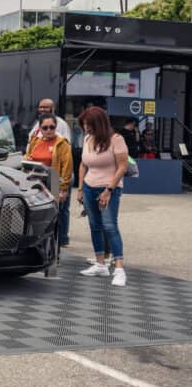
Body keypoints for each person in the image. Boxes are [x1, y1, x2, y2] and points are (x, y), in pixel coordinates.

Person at [76, 106, 129, 286]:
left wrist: (109, 190)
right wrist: (81, 188)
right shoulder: (87, 139)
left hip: (109, 187)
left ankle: (120, 269)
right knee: (94, 225)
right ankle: (100, 264)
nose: (86, 127)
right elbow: (83, 165)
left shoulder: (116, 140)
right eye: (84, 124)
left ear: (100, 124)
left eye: (89, 124)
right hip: (90, 187)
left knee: (110, 225)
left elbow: (122, 167)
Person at [24, 112, 73, 247]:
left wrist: (63, 189)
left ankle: (54, 249)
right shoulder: (35, 141)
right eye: (45, 128)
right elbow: (28, 156)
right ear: (40, 129)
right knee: (36, 216)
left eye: (52, 127)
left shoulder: (62, 144)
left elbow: (67, 167)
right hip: (35, 183)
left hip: (53, 181)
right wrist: (26, 160)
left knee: (54, 219)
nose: (49, 130)